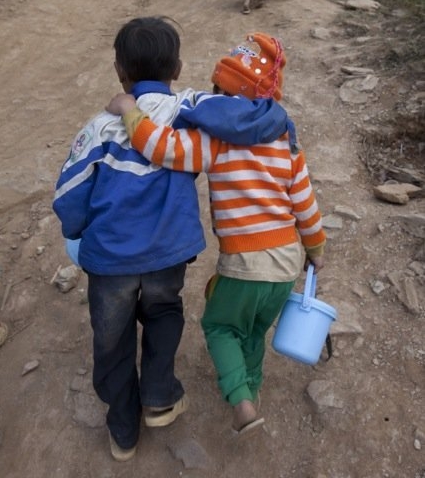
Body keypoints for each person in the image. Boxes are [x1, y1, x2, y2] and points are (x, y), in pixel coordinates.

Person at [53, 17, 294, 460]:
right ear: (178, 68)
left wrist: (77, 231)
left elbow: (69, 193)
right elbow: (246, 112)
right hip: (168, 254)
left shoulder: (98, 128)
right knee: (164, 314)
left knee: (112, 336)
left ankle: (123, 429)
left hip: (110, 263)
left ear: (118, 72)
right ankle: (159, 395)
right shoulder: (191, 107)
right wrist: (277, 114)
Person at [106, 30, 327, 437]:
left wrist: (129, 112)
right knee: (254, 329)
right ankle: (253, 387)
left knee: (221, 326)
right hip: (286, 264)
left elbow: (162, 147)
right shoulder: (286, 142)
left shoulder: (216, 141)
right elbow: (306, 207)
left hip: (244, 260)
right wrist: (315, 248)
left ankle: (241, 402)